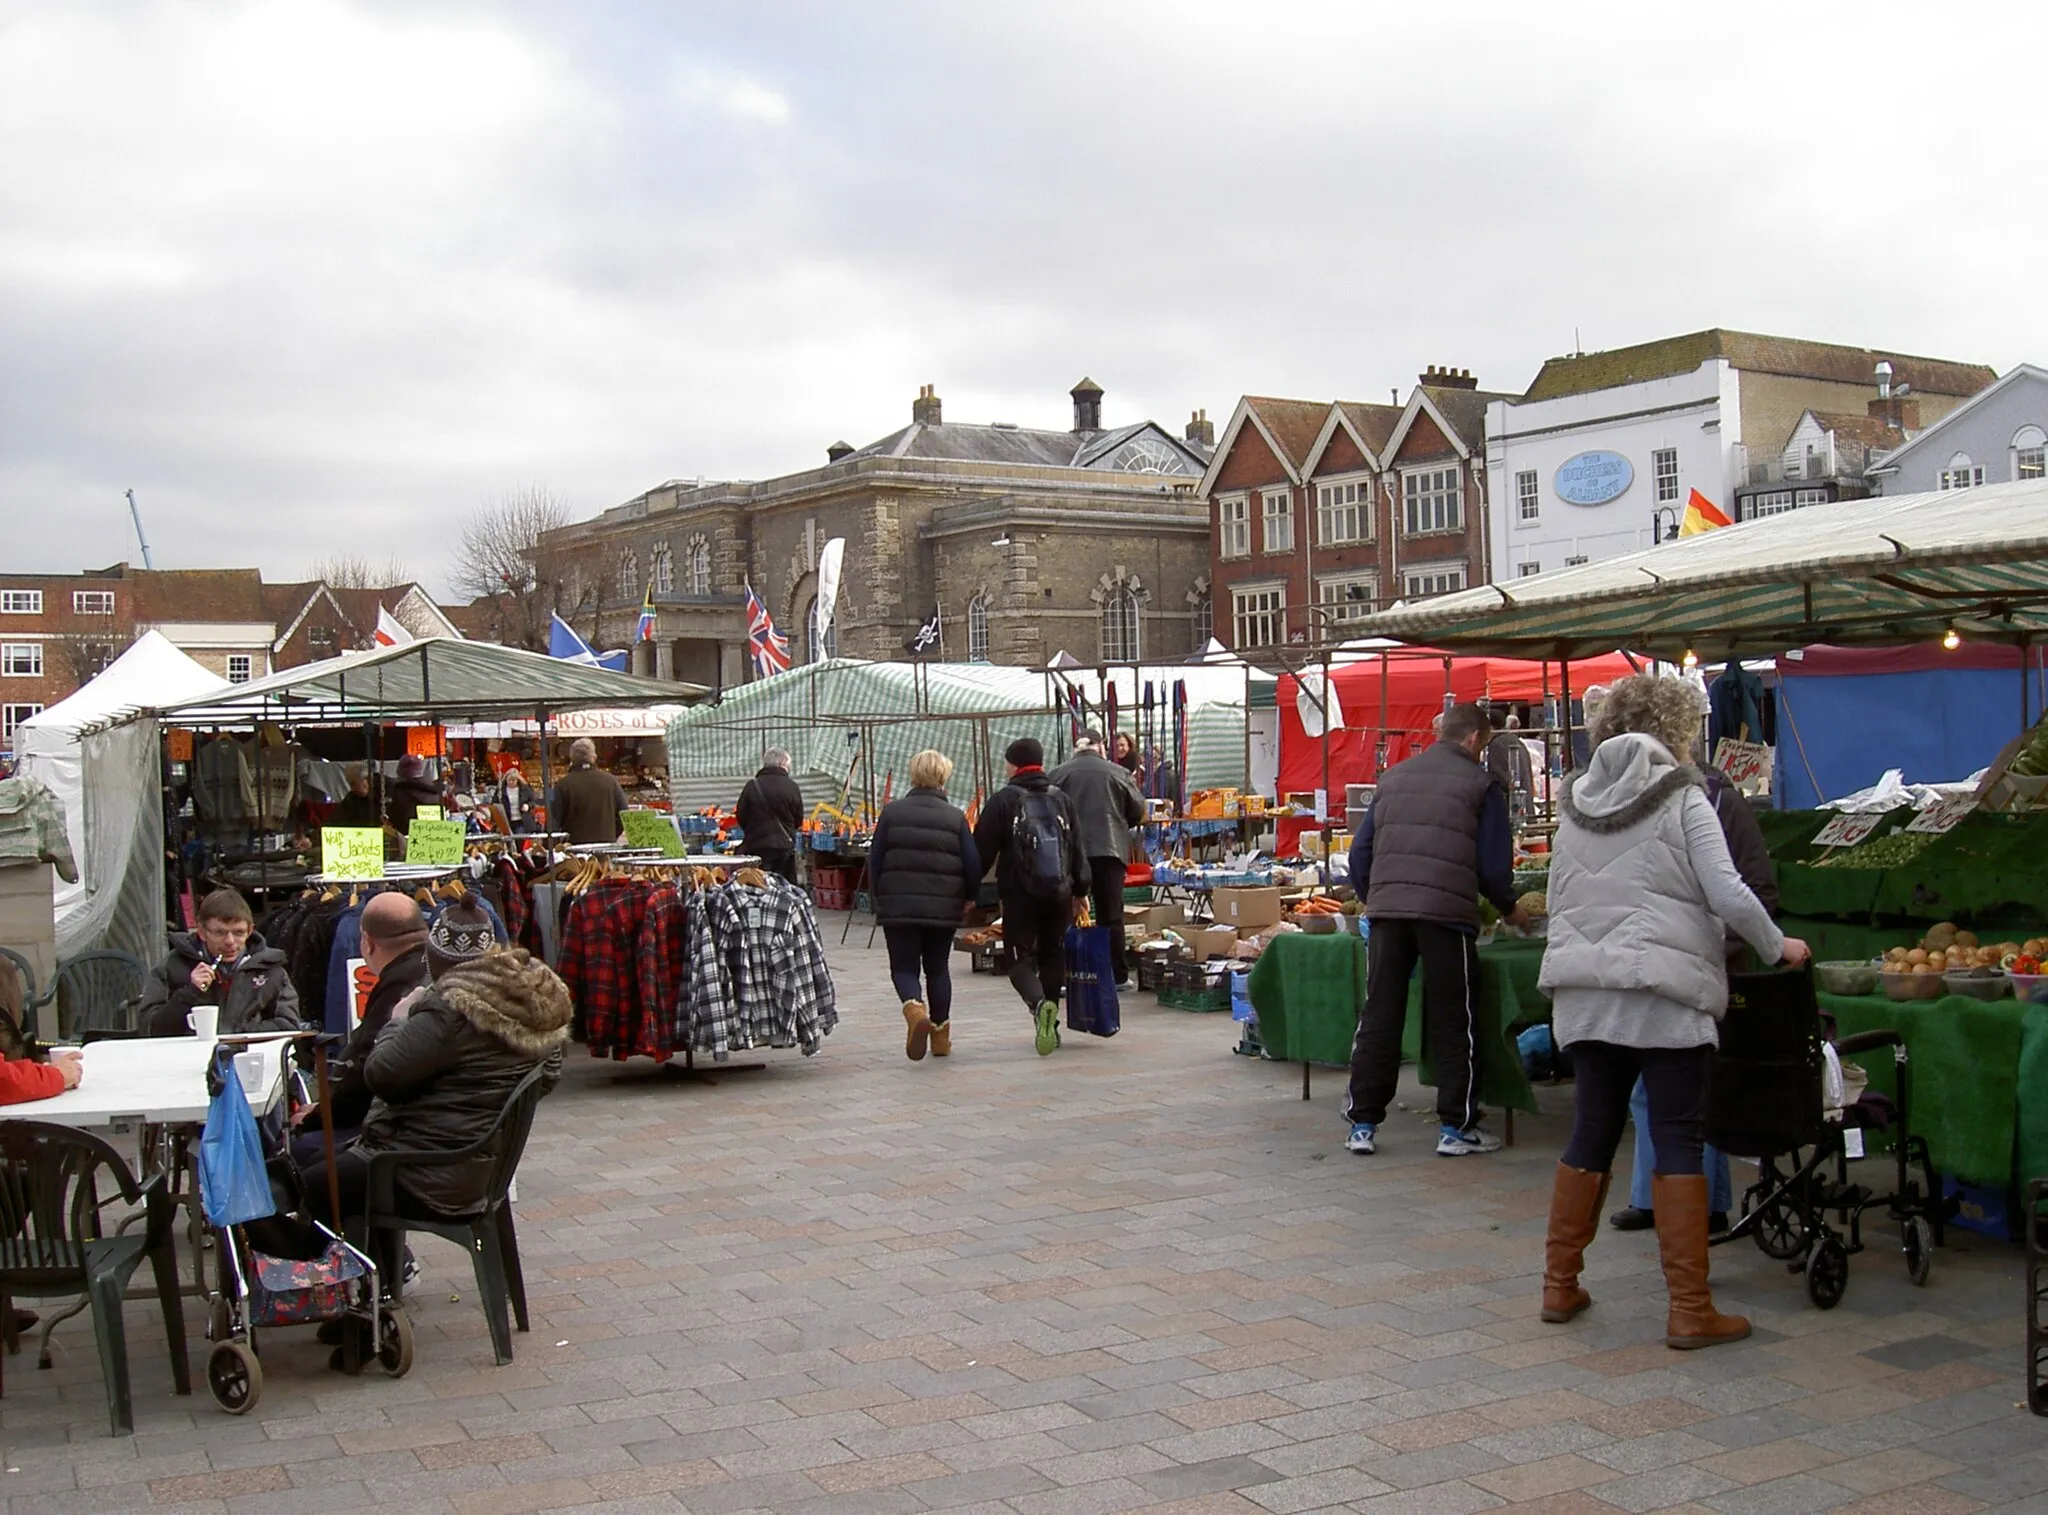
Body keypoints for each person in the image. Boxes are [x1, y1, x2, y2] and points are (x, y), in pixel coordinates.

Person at [1536, 674, 1809, 1351]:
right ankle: (1690, 1308)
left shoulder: (1573, 803)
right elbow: (1731, 892)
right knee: (1680, 1134)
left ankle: (1558, 1285)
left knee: (1590, 1132)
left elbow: (1560, 898)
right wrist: (1779, 947)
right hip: (1664, 989)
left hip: (1587, 989)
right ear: (1677, 728)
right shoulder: (1685, 796)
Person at [297, 901, 569, 1364]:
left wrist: (398, 1019)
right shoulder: (525, 995)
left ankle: (364, 1312)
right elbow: (545, 1074)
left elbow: (381, 1075)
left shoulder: (445, 1009)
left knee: (315, 1184)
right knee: (329, 1164)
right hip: (481, 1161)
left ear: (437, 959)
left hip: (432, 1168)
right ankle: (373, 1300)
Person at [1608, 750, 1778, 1236]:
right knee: (1647, 1089)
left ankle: (1705, 1204)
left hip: (1707, 970)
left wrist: (1716, 944)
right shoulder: (1637, 805)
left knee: (1695, 1094)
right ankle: (1650, 1197)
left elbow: (1754, 892)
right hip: (1653, 966)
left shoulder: (1720, 801)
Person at [1344, 703, 1523, 1159]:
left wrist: (1377, 895)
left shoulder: (1393, 778)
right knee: (1454, 1018)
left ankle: (1362, 1123)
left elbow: (1359, 855)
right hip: (1446, 913)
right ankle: (1455, 1126)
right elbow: (1492, 866)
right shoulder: (1483, 784)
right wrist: (1509, 908)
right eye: (1484, 745)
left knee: (1380, 1015)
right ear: (1473, 740)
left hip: (1387, 914)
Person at [291, 893, 431, 1165]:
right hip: (433, 1132)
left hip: (404, 1139)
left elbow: (367, 1078)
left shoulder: (400, 989)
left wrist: (317, 1117)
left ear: (367, 942)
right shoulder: (434, 970)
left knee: (299, 1160)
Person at [973, 736, 1090, 1056]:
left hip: (1019, 895)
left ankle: (1039, 1007)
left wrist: (969, 890)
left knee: (1019, 959)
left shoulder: (1003, 800)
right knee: (1053, 955)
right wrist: (1081, 889)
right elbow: (1077, 848)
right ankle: (1050, 1021)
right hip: (1059, 893)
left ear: (1013, 764)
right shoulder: (1061, 799)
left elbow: (981, 851)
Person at [870, 749, 980, 1061]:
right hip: (943, 908)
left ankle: (914, 1009)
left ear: (913, 775)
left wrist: (880, 898)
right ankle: (941, 1037)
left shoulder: (892, 813)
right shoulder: (955, 817)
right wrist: (969, 897)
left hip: (899, 906)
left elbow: (875, 861)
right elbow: (972, 864)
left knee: (904, 968)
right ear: (944, 777)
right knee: (937, 969)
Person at [1050, 728, 1146, 989]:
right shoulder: (1118, 773)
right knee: (1111, 914)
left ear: (1076, 748)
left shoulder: (1058, 775)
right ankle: (1117, 975)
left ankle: (1063, 976)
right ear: (1101, 747)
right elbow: (1137, 811)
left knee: (1066, 914)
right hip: (1110, 851)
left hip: (1069, 853)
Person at [142, 888, 303, 1037]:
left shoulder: (269, 968)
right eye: (220, 933)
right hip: (186, 1059)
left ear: (250, 930)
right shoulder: (173, 965)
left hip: (248, 1058)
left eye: (239, 933)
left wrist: (237, 1035)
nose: (230, 941)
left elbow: (289, 1025)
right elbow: (149, 1029)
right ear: (202, 932)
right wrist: (189, 993)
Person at [735, 748, 805, 883]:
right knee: (782, 883)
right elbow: (798, 818)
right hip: (784, 845)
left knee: (759, 881)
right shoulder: (792, 787)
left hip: (757, 844)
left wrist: (752, 831)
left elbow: (741, 815)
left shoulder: (752, 786)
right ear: (782, 763)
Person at [548, 738, 629, 846]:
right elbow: (624, 814)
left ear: (572, 758)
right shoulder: (610, 781)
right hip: (605, 848)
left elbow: (553, 821)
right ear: (594, 758)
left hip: (574, 851)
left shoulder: (562, 785)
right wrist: (612, 835)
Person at [1485, 713, 1537, 830]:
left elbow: (1500, 778)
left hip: (1513, 809)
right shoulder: (1516, 741)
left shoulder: (1496, 745)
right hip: (1526, 807)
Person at [386, 754, 443, 832]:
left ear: (400, 772)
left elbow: (394, 819)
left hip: (407, 838)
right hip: (434, 835)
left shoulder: (400, 793)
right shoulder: (435, 792)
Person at [326, 764, 381, 831]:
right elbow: (335, 820)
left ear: (367, 780)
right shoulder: (351, 798)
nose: (352, 789)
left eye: (353, 784)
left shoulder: (389, 788)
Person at [496, 762, 539, 834]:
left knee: (519, 836)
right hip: (506, 820)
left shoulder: (525, 789)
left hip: (521, 820)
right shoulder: (500, 790)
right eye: (509, 780)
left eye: (514, 780)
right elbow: (495, 802)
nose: (511, 782)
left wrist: (527, 806)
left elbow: (533, 801)